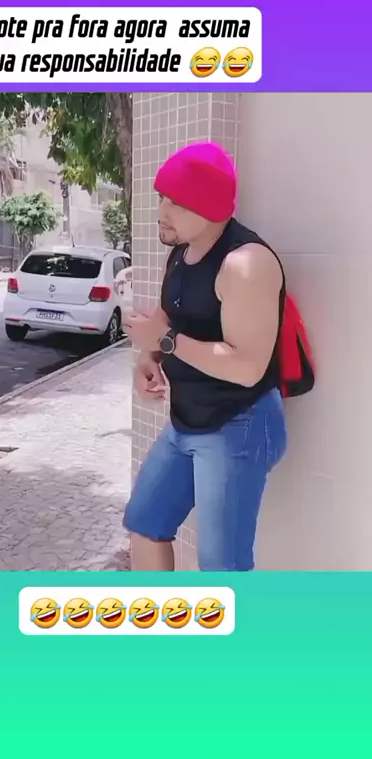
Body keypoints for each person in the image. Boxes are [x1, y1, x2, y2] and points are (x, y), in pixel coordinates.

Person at [122, 141, 287, 572]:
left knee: (221, 566)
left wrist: (166, 341)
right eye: (162, 197)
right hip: (186, 420)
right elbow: (169, 316)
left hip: (239, 424)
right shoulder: (181, 252)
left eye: (175, 202)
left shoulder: (246, 264)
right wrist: (149, 357)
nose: (162, 210)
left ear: (210, 206)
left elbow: (247, 367)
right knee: (144, 523)